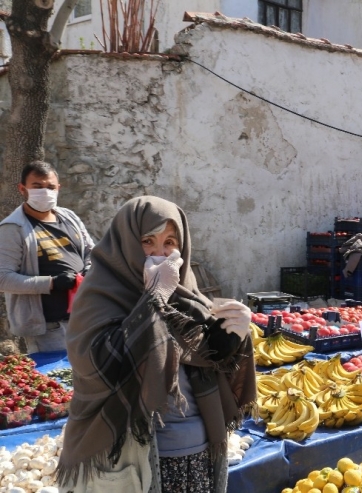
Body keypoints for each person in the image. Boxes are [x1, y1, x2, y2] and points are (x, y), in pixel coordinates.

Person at [57, 196, 257, 493]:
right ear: (126, 243)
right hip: (133, 461)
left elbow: (213, 360)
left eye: (170, 242)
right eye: (148, 242)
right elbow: (100, 367)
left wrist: (236, 335)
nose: (160, 254)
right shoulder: (99, 296)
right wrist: (154, 299)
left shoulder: (191, 300)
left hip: (197, 455)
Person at [0, 161, 95, 354]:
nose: (45, 192)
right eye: (37, 187)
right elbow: (3, 278)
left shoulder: (69, 217)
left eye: (50, 187)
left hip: (85, 318)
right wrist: (51, 283)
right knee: (60, 380)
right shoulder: (13, 228)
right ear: (22, 189)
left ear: (58, 188)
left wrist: (88, 268)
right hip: (49, 328)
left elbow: (91, 252)